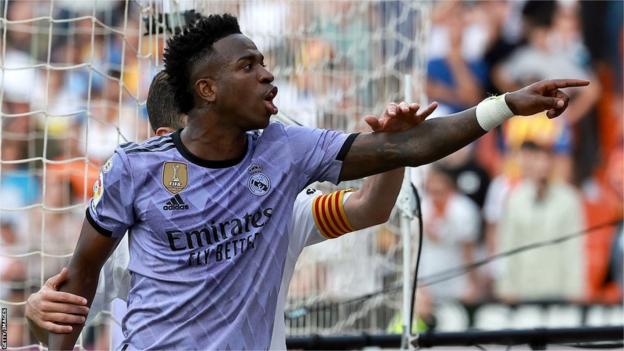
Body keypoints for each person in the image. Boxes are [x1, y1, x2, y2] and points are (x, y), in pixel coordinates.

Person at [49, 13, 588, 350]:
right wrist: (38, 325)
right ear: (207, 90)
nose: (268, 74)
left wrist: (504, 106)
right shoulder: (131, 170)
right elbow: (75, 281)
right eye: (248, 66)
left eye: (264, 62)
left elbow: (398, 158)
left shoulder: (285, 152)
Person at [26, 70, 428, 349]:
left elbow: (368, 207)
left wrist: (393, 149)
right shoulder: (120, 245)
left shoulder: (274, 209)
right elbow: (51, 330)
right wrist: (34, 315)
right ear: (169, 139)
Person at [495, 141, 585, 301]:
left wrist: (575, 290)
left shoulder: (569, 199)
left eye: (546, 160)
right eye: (537, 160)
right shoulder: (515, 199)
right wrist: (506, 287)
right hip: (523, 289)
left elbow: (574, 247)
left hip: (558, 289)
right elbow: (507, 245)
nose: (542, 166)